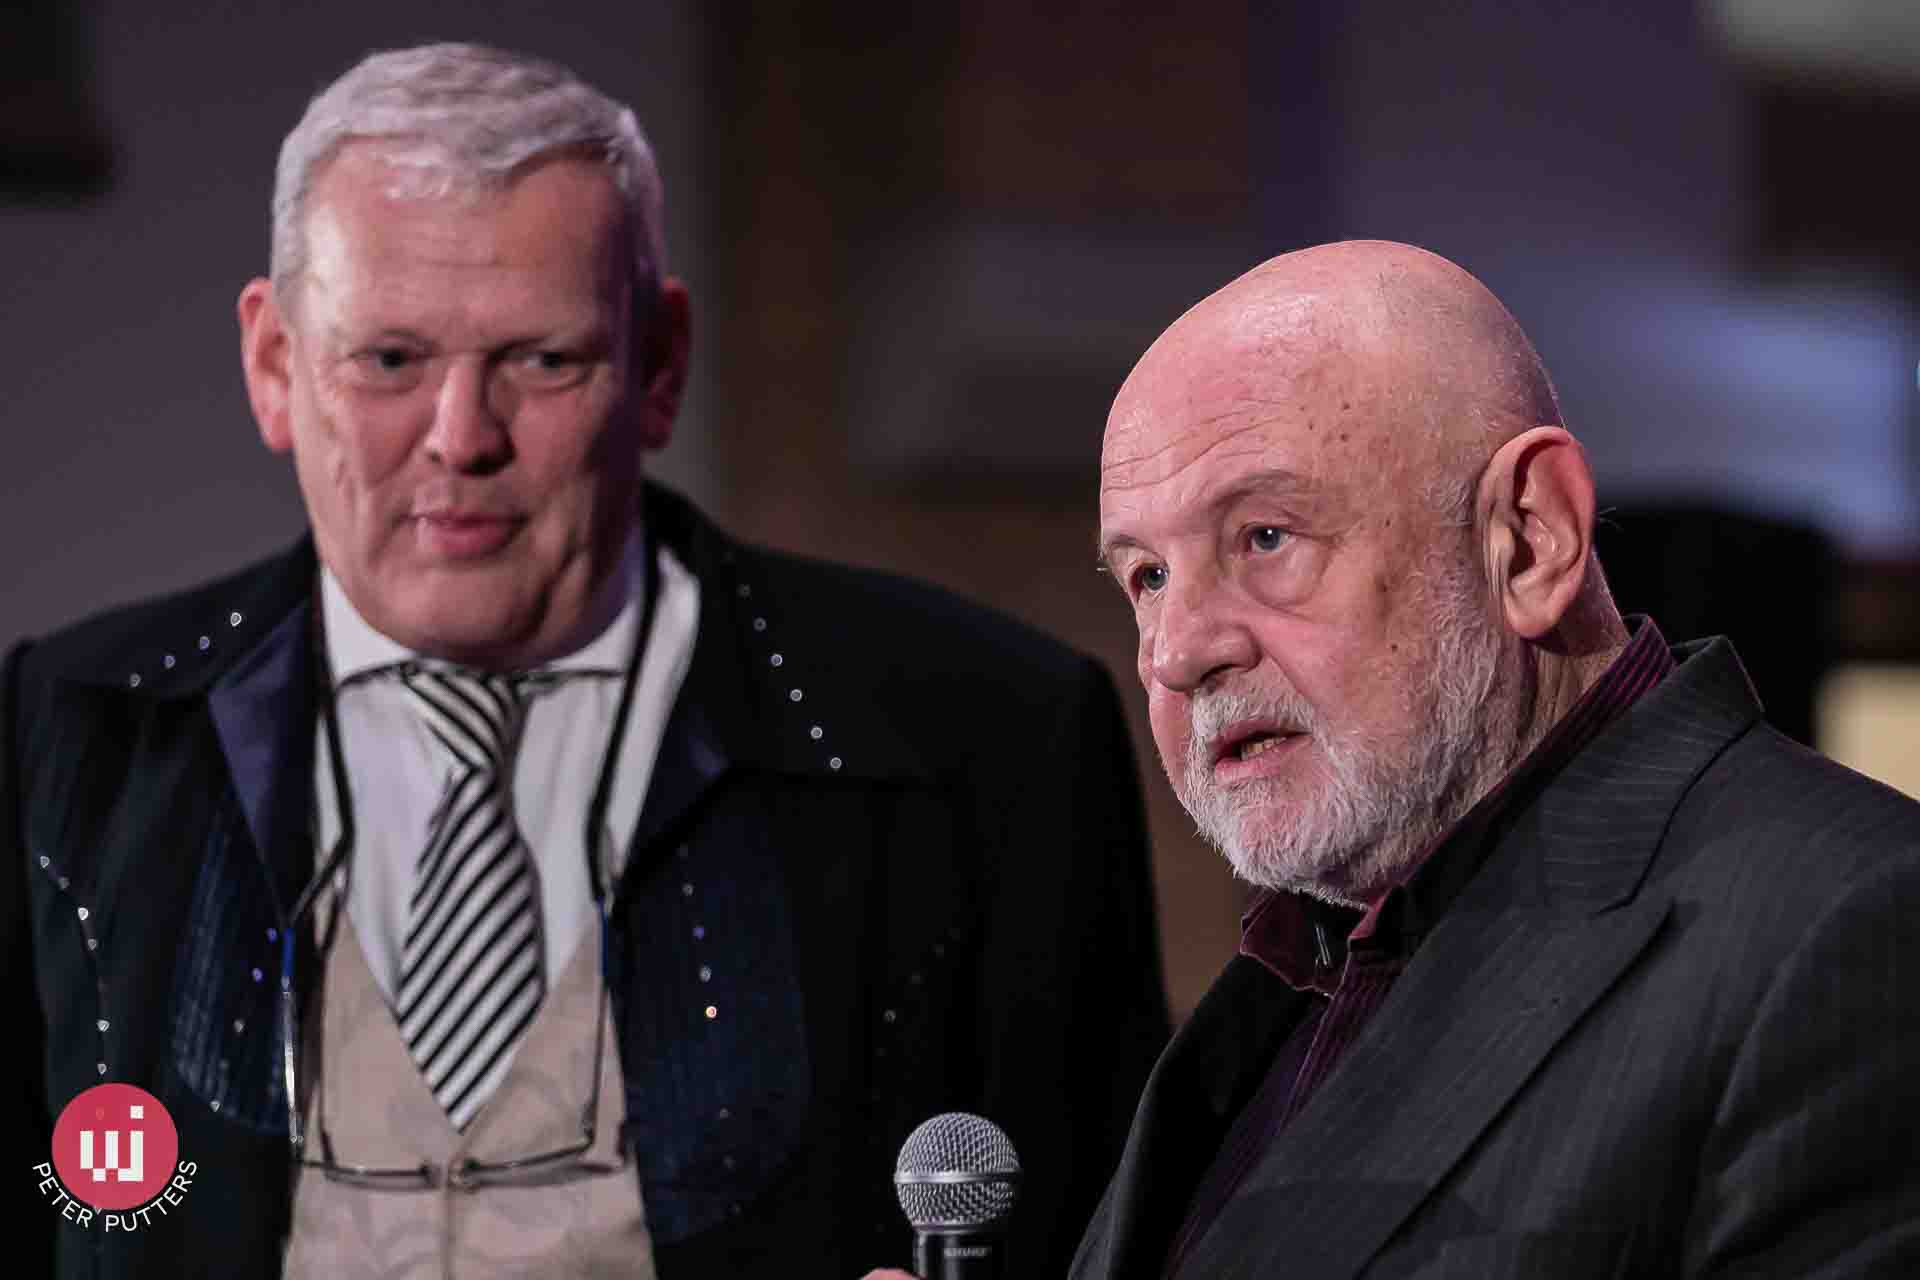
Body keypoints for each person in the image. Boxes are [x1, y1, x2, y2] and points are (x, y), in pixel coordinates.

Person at [2, 43, 1168, 1279]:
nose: (462, 438)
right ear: (275, 365)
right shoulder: (65, 730)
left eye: (543, 359)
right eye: (390, 359)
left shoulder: (987, 739)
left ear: (658, 364)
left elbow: (1115, 1236)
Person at [1066, 240, 1920, 1276]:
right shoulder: (1298, 969)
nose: (1177, 652)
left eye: (1265, 537)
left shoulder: (1863, 930)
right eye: (1148, 576)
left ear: (1529, 535)